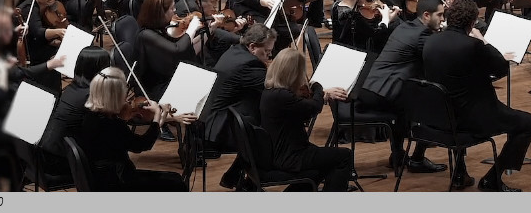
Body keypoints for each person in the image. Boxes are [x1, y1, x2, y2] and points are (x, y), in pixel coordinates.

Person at [423, 0, 531, 192]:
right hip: (472, 118)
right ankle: (492, 179)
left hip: (439, 116)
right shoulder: (473, 46)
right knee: (529, 123)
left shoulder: (430, 40)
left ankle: (460, 173)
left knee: (456, 99)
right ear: (472, 23)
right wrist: (483, 40)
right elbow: (502, 69)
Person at [359, 0, 447, 174]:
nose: (443, 19)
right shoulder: (423, 35)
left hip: (369, 86)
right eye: (440, 15)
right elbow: (438, 60)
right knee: (434, 104)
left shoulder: (405, 25)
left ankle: (398, 155)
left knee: (408, 102)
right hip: (382, 90)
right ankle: (416, 159)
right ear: (426, 16)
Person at [78, 66, 190, 190]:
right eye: (124, 91)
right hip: (117, 183)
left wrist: (161, 118)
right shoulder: (112, 125)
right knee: (177, 184)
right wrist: (157, 114)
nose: (127, 96)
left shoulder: (90, 114)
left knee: (174, 179)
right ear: (114, 96)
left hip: (102, 177)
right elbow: (143, 144)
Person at [260, 48, 354, 191]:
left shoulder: (271, 91)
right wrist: (318, 86)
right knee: (344, 156)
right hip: (290, 156)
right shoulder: (282, 96)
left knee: (324, 163)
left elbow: (302, 112)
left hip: (282, 151)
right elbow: (313, 107)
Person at [204, 23, 277, 190]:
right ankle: (254, 181)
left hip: (214, 118)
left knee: (260, 117)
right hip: (220, 128)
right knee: (268, 129)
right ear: (252, 47)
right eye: (266, 51)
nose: (269, 55)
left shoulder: (234, 51)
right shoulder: (249, 65)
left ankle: (236, 176)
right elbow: (276, 88)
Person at [40, 46, 113, 175]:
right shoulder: (90, 96)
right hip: (60, 163)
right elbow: (93, 133)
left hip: (48, 154)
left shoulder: (72, 88)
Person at [330, 0, 397, 53]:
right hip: (353, 57)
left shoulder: (336, 6)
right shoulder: (350, 16)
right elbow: (375, 34)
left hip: (338, 51)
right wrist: (386, 19)